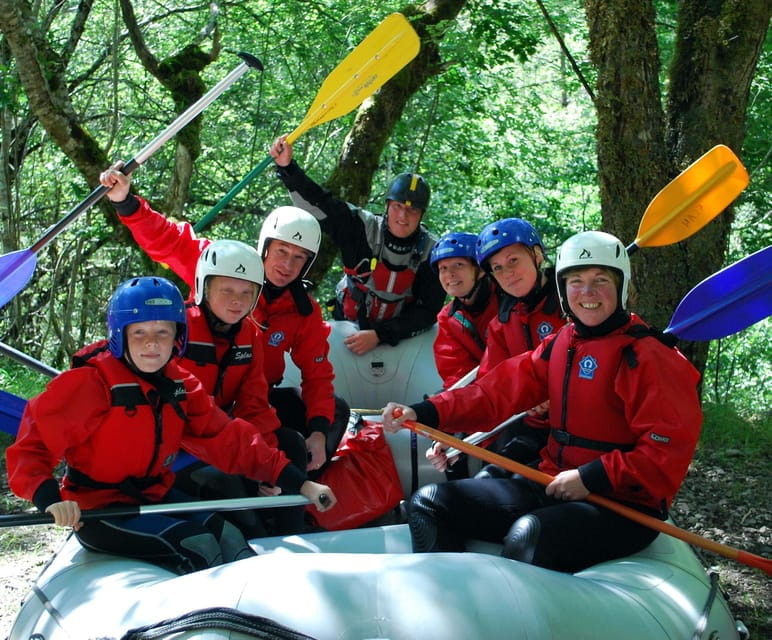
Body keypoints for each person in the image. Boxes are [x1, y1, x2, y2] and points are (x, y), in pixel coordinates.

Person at [382, 231, 702, 573]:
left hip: (623, 504)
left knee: (528, 534)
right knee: (429, 503)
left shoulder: (650, 356)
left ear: (621, 287)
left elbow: (663, 455)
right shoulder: (563, 341)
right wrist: (427, 410)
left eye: (601, 280)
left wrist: (589, 477)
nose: (587, 293)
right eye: (576, 281)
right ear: (563, 290)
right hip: (555, 480)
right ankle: (449, 608)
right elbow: (495, 392)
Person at [6, 276, 335, 574]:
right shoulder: (90, 383)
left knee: (230, 536)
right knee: (199, 544)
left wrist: (300, 483)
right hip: (98, 508)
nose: (152, 344)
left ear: (178, 337)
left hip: (154, 494)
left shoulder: (181, 385)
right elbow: (32, 447)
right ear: (120, 336)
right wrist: (50, 499)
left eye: (162, 332)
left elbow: (230, 439)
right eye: (140, 333)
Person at [98, 164, 347, 481]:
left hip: (253, 399)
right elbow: (168, 239)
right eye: (281, 251)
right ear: (265, 247)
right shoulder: (221, 264)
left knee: (330, 414)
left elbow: (317, 375)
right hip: (196, 402)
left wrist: (318, 432)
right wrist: (126, 202)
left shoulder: (303, 310)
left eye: (299, 257)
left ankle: (305, 489)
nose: (287, 265)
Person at [269, 135, 447, 355]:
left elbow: (427, 312)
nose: (403, 215)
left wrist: (381, 334)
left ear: (421, 215)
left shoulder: (432, 252)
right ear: (387, 205)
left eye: (412, 210)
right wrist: (288, 168)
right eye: (398, 206)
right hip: (348, 328)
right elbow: (319, 203)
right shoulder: (361, 226)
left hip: (398, 338)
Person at [427, 218, 564, 475]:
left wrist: (547, 396)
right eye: (498, 267)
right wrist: (450, 432)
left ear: (536, 255)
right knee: (484, 479)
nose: (507, 273)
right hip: (528, 422)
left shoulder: (569, 299)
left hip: (572, 428)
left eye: (513, 261)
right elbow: (487, 385)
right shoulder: (502, 321)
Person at [430, 231, 498, 390]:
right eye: (443, 268)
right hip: (483, 394)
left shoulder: (507, 301)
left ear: (480, 269)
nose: (449, 274)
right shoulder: (447, 318)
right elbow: (455, 373)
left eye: (458, 265)